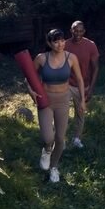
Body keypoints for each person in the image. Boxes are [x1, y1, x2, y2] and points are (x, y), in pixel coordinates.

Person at [30, 28, 85, 183]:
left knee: (60, 139)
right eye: (56, 41)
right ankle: (47, 150)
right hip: (45, 100)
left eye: (62, 40)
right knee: (48, 137)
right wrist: (30, 91)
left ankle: (54, 167)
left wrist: (81, 100)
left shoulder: (71, 57)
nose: (60, 44)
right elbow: (29, 77)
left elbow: (80, 80)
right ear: (49, 43)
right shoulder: (41, 58)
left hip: (63, 101)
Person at [64, 20, 99, 148]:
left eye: (80, 31)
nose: (77, 33)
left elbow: (95, 68)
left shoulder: (91, 45)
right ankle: (61, 139)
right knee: (63, 112)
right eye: (75, 30)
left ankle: (77, 138)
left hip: (84, 84)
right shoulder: (65, 45)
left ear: (84, 32)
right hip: (67, 83)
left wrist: (91, 89)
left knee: (80, 113)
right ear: (71, 30)